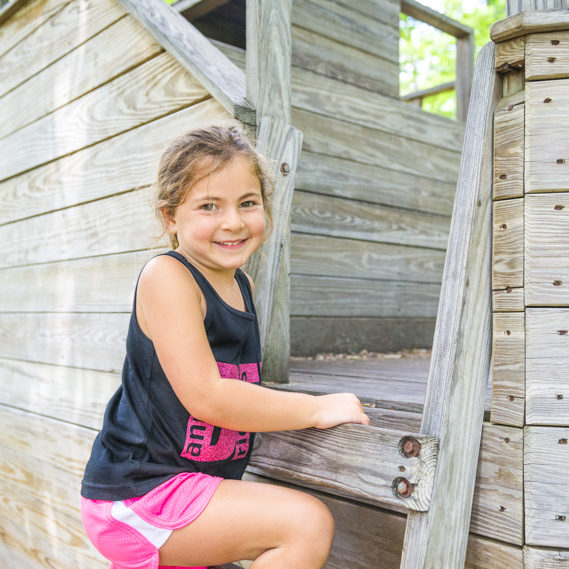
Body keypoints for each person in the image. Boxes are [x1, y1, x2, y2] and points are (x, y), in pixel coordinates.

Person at [80, 125, 370, 569]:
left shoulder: (243, 286)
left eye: (248, 203)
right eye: (209, 206)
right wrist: (314, 409)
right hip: (141, 491)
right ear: (170, 218)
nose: (233, 221)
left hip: (189, 485)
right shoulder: (168, 277)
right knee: (304, 524)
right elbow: (208, 396)